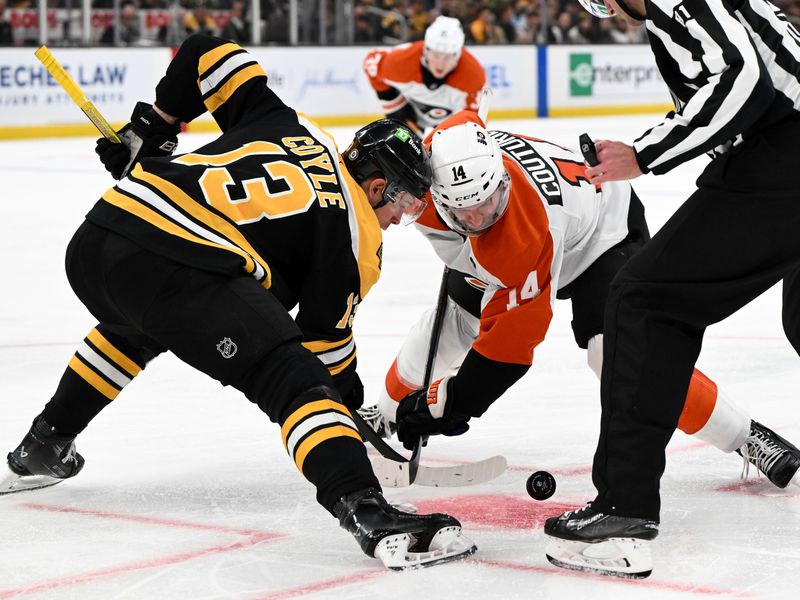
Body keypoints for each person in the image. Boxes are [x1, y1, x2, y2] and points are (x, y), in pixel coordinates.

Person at [0, 33, 476, 570]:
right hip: (179, 262)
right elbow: (325, 347)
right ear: (374, 186)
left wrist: (155, 126)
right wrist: (350, 416)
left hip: (99, 237)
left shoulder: (293, 126)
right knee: (294, 379)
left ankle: (45, 442)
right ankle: (367, 511)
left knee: (139, 326)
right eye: (407, 204)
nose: (402, 219)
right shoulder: (357, 234)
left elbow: (207, 51)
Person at [358, 109, 800, 516]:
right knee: (452, 321)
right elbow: (466, 120)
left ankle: (746, 436)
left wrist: (452, 404)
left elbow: (508, 353)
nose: (478, 218)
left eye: (487, 204)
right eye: (465, 211)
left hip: (600, 234)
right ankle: (383, 413)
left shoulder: (516, 237)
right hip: (545, 227)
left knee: (620, 358)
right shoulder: (447, 158)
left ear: (501, 180)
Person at [544, 0, 800, 579]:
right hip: (781, 155)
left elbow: (741, 76)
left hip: (785, 160)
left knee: (646, 301)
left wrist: (647, 153)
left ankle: (622, 514)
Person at [363, 15, 486, 138]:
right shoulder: (402, 62)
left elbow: (473, 122)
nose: (440, 64)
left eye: (447, 57)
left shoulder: (474, 76)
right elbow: (371, 64)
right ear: (426, 50)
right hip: (414, 114)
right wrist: (396, 108)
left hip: (450, 120)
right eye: (436, 55)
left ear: (458, 55)